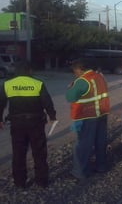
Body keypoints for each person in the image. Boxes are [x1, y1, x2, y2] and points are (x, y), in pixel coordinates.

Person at [0, 61, 57, 189]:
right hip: (36, 123)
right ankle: (41, 182)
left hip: (17, 124)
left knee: (18, 153)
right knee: (39, 152)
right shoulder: (38, 84)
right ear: (29, 70)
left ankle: (20, 182)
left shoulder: (7, 84)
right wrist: (52, 116)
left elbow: (1, 103)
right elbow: (47, 102)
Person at [65, 59, 110, 181]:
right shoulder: (99, 77)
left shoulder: (82, 81)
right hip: (102, 114)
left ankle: (79, 172)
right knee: (100, 142)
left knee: (83, 145)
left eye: (75, 71)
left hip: (87, 116)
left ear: (79, 69)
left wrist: (72, 86)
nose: (74, 74)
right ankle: (101, 166)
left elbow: (70, 97)